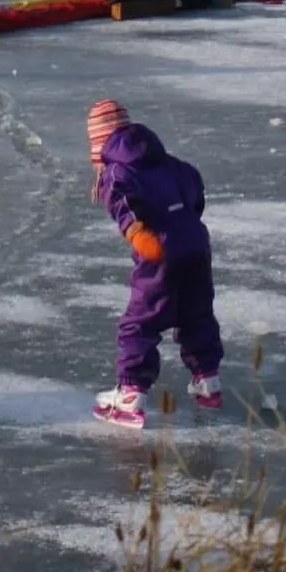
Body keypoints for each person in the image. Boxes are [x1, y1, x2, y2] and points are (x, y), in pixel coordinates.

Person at [87, 99, 224, 429]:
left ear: (100, 142)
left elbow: (120, 202)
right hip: (194, 242)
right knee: (196, 312)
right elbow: (195, 184)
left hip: (158, 249)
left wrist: (137, 233)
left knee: (141, 320)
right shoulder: (169, 163)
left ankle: (131, 393)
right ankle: (207, 380)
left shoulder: (117, 170)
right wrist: (186, 220)